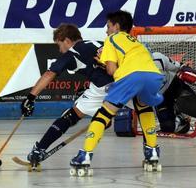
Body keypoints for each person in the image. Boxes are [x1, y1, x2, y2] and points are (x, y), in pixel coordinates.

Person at [70, 10, 164, 175]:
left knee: (104, 113)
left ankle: (85, 155)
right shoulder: (138, 42)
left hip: (132, 76)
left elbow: (112, 70)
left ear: (116, 26)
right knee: (144, 108)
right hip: (154, 75)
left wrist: (103, 63)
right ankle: (152, 152)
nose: (106, 30)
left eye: (108, 26)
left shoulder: (111, 39)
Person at [20, 23, 114, 165]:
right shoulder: (96, 43)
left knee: (71, 115)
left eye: (59, 45)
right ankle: (151, 152)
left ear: (67, 41)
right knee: (143, 110)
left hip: (105, 87)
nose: (60, 50)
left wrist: (31, 97)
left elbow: (49, 74)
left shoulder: (73, 53)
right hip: (127, 79)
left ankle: (39, 149)